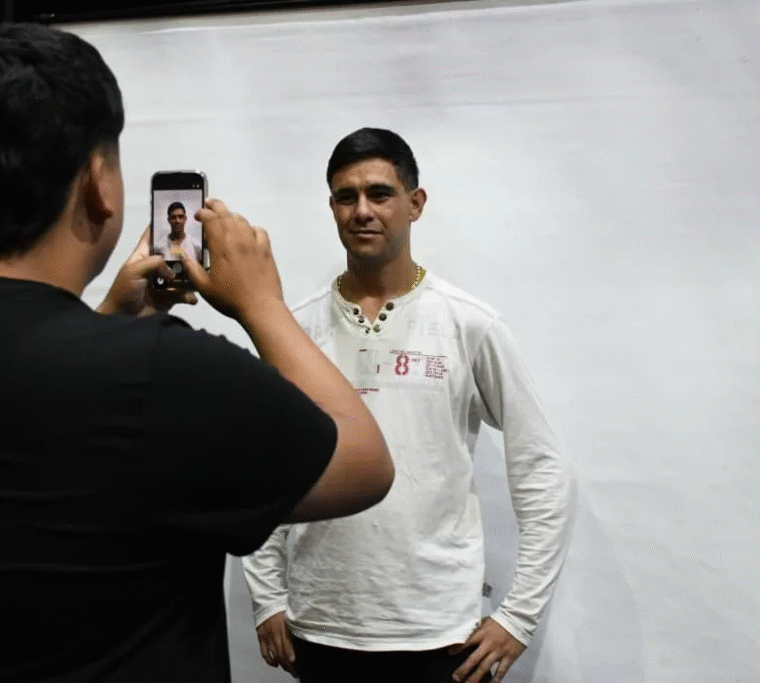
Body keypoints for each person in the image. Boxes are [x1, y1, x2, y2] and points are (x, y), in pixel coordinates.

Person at [0, 24, 395, 683]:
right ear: (98, 185)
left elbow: (13, 438)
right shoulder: (160, 374)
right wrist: (261, 303)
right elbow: (362, 462)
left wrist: (106, 319)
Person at [242, 128, 576, 683]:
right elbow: (263, 469)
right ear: (332, 207)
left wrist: (519, 617)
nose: (362, 211)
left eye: (380, 193)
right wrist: (267, 597)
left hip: (441, 636)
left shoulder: (468, 323)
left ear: (415, 203)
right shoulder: (295, 331)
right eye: (346, 197)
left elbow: (541, 467)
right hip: (321, 630)